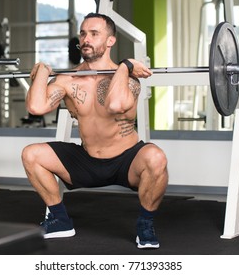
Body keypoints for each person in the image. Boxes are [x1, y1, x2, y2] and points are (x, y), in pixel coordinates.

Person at [22, 13, 168, 249]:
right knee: (31, 154)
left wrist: (125, 66)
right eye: (83, 33)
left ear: (110, 41)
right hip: (87, 161)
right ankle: (60, 220)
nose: (86, 39)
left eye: (94, 33)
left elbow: (115, 105)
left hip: (127, 161)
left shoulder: (129, 78)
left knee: (156, 157)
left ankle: (145, 224)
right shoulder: (68, 79)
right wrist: (41, 74)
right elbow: (36, 107)